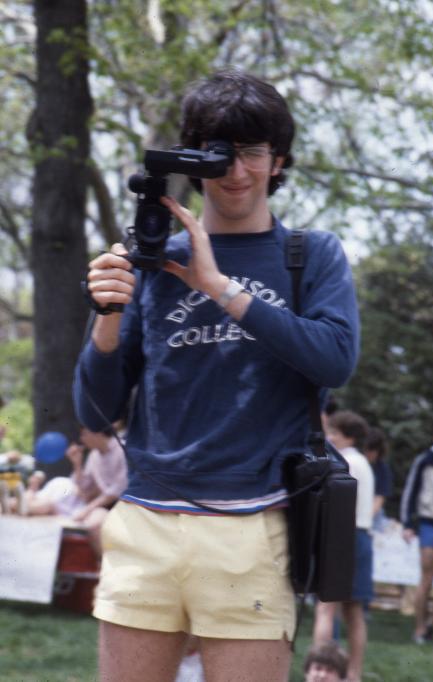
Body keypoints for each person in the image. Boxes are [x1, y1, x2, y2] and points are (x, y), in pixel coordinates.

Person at [73, 68, 360, 682]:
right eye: (218, 153)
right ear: (193, 159)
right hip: (146, 518)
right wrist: (106, 317)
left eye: (252, 152)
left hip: (254, 526)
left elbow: (335, 360)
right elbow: (94, 412)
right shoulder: (151, 263)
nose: (235, 172)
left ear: (278, 160)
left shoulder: (311, 255)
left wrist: (220, 288)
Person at [313, 410, 374, 682]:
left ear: (348, 436)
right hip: (361, 537)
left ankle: (319, 669)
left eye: (334, 433)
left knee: (326, 608)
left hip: (341, 536)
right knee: (354, 610)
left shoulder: (343, 462)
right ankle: (353, 674)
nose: (330, 437)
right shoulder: (362, 462)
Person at [27, 428, 128, 556]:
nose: (82, 439)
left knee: (94, 524)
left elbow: (117, 490)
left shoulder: (123, 449)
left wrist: (88, 509)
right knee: (87, 522)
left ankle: (107, 567)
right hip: (100, 506)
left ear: (97, 431)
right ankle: (100, 565)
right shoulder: (94, 455)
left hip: (122, 505)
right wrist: (77, 464)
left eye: (84, 434)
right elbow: (84, 486)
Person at [400, 414, 433, 644]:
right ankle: (419, 628)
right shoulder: (426, 460)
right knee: (427, 579)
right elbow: (410, 491)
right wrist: (408, 523)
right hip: (430, 523)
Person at [364, 426, 393, 531]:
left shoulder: (382, 469)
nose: (368, 453)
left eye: (372, 450)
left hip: (372, 516)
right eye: (366, 449)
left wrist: (366, 518)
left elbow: (379, 498)